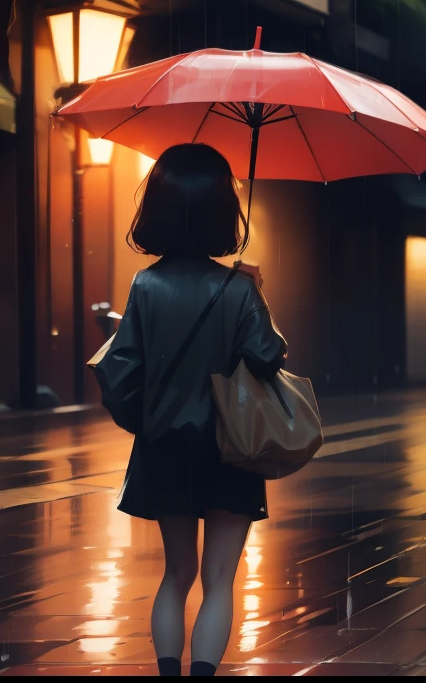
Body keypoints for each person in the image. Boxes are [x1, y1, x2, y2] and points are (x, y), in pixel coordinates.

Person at [92, 143, 287, 677]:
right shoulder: (238, 289)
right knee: (219, 578)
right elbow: (269, 357)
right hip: (231, 447)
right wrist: (255, 293)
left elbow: (120, 372)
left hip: (165, 447)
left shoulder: (145, 285)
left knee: (175, 573)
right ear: (222, 213)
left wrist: (151, 422)